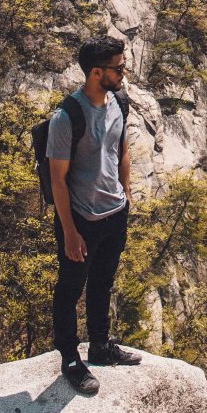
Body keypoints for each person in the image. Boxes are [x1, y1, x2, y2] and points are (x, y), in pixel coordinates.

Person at [47, 36, 141, 394]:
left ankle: (100, 346)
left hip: (114, 213)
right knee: (70, 289)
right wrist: (69, 231)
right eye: (118, 68)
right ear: (96, 72)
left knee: (103, 282)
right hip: (82, 219)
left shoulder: (119, 100)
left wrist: (126, 196)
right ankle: (70, 358)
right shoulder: (67, 117)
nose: (124, 72)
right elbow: (57, 179)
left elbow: (122, 150)